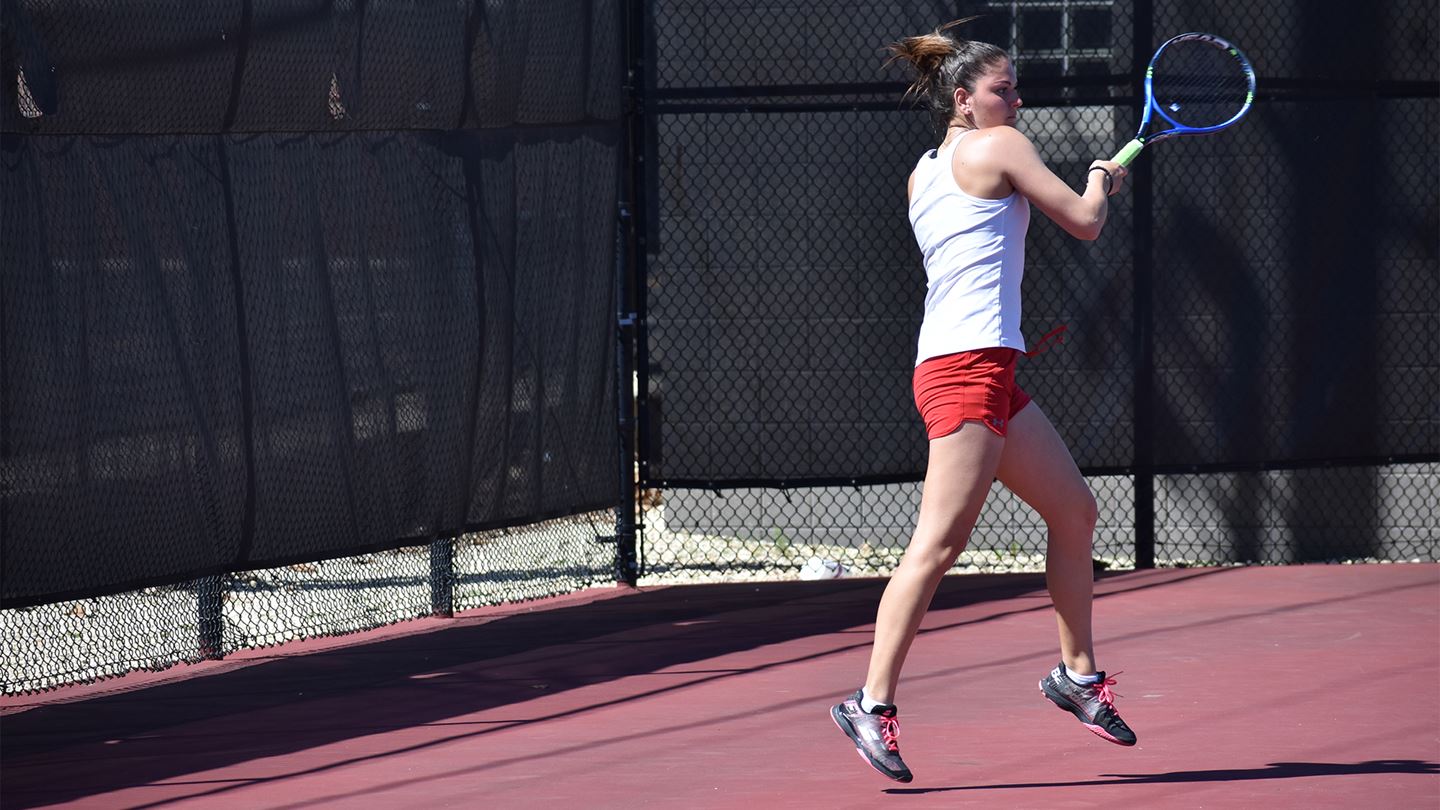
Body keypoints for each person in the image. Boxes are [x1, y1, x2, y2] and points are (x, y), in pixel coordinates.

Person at [829, 19, 1136, 783]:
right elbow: (1086, 222)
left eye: (1016, 89)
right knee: (936, 545)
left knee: (1074, 513)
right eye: (1005, 90)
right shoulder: (999, 146)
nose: (1018, 100)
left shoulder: (922, 172)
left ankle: (1076, 675)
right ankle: (869, 702)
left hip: (974, 366)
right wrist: (1103, 178)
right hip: (965, 369)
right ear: (965, 100)